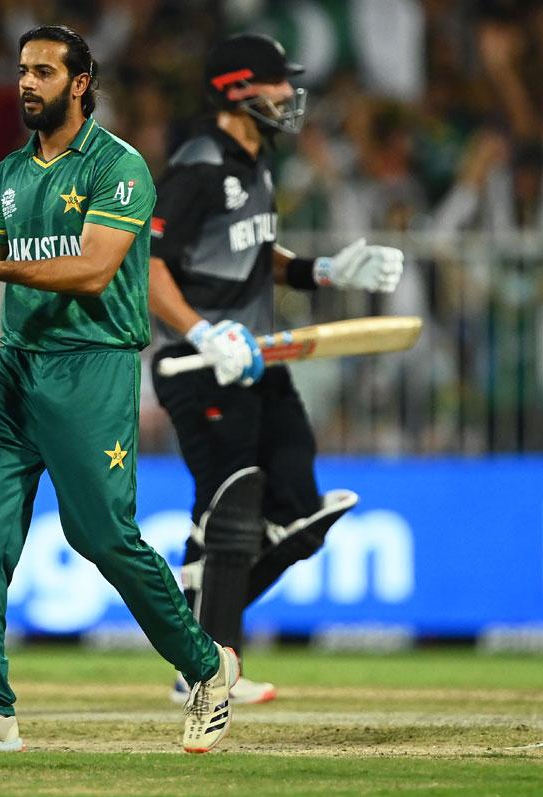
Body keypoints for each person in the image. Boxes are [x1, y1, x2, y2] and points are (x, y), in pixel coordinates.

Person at [0, 25, 239, 754]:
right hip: (16, 370)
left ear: (80, 83)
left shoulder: (119, 168)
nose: (27, 83)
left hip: (90, 368)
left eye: (44, 72)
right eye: (23, 70)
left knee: (101, 536)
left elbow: (90, 271)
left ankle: (209, 667)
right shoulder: (7, 176)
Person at [146, 34, 404, 705]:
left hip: (261, 359)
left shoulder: (257, 163)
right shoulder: (199, 162)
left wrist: (324, 270)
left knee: (297, 515)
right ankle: (206, 667)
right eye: (275, 84)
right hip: (200, 362)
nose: (289, 96)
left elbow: (255, 251)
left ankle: (195, 624)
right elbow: (147, 267)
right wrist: (202, 330)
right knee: (235, 506)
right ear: (236, 90)